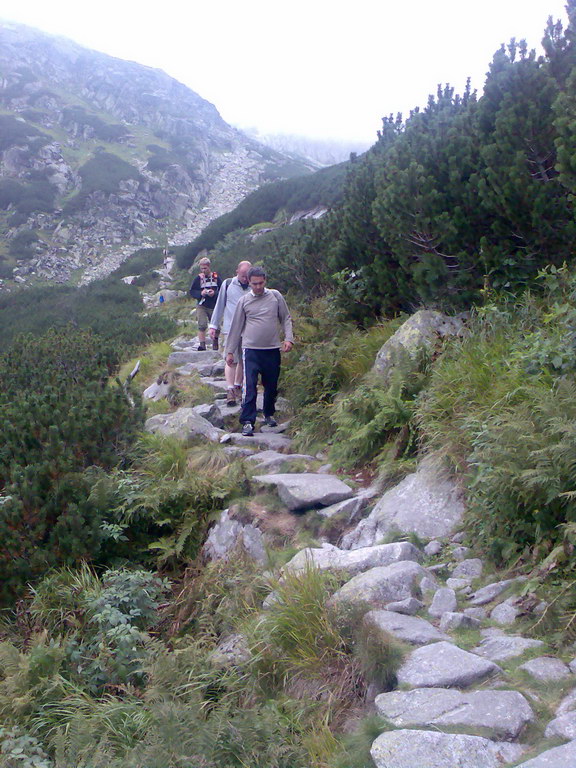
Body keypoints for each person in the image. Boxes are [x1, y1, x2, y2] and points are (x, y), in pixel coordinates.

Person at [225, 266, 293, 436]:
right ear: (248, 282)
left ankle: (269, 414)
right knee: (250, 385)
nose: (258, 287)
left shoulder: (275, 296)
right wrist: (230, 351)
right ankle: (247, 421)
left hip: (272, 348)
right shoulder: (244, 301)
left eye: (261, 283)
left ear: (265, 281)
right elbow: (236, 327)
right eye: (254, 283)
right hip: (250, 350)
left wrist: (288, 338)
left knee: (271, 385)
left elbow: (286, 317)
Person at [209, 260, 251, 406]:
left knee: (243, 359)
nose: (246, 279)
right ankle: (230, 389)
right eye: (243, 275)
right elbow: (220, 305)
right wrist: (213, 325)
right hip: (230, 328)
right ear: (237, 272)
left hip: (247, 329)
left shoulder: (253, 287)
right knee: (230, 358)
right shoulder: (227, 285)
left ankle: (238, 386)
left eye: (248, 276)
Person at [189, 257, 222, 351]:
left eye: (205, 268)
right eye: (202, 268)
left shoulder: (216, 278)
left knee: (216, 326)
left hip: (214, 305)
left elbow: (222, 290)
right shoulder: (198, 279)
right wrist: (200, 293)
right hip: (201, 305)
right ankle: (202, 345)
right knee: (202, 324)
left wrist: (214, 293)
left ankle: (215, 343)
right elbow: (192, 291)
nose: (203, 270)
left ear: (209, 267)